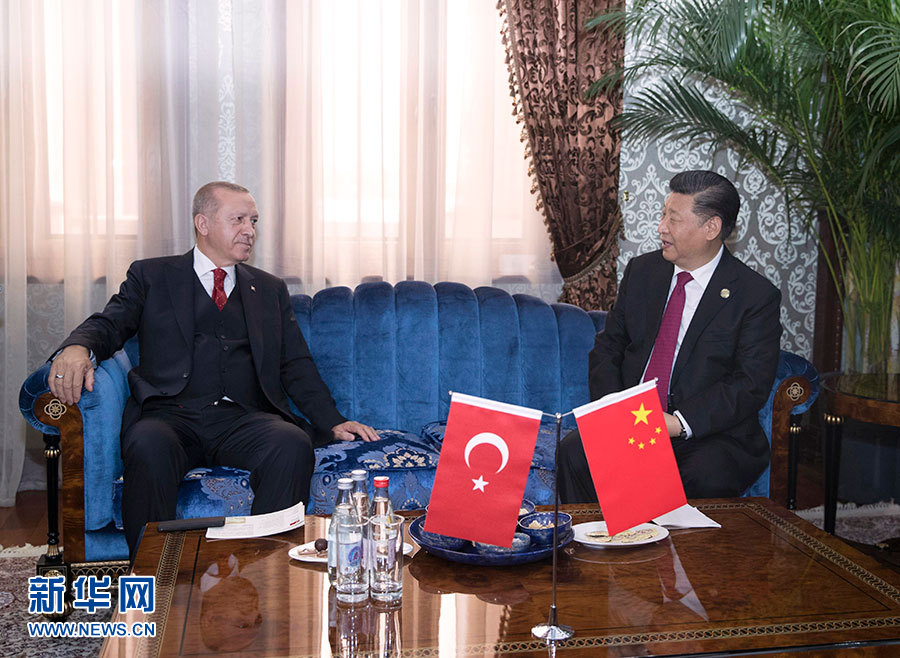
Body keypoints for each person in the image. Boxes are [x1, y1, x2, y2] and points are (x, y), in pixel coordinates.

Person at [49, 181, 378, 557]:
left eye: (253, 221)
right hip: (170, 416)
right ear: (202, 224)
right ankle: (155, 573)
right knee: (147, 446)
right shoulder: (152, 276)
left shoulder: (268, 289)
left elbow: (294, 364)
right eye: (238, 219)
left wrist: (332, 420)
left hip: (243, 419)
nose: (249, 230)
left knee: (291, 444)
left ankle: (265, 569)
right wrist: (78, 347)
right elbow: (110, 323)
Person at [560, 170, 782, 502]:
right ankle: (593, 536)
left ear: (711, 228)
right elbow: (609, 346)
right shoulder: (643, 272)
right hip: (632, 423)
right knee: (573, 453)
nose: (661, 227)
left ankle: (666, 540)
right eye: (663, 214)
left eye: (673, 219)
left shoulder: (754, 296)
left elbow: (749, 383)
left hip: (707, 435)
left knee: (703, 474)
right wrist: (613, 410)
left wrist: (679, 423)